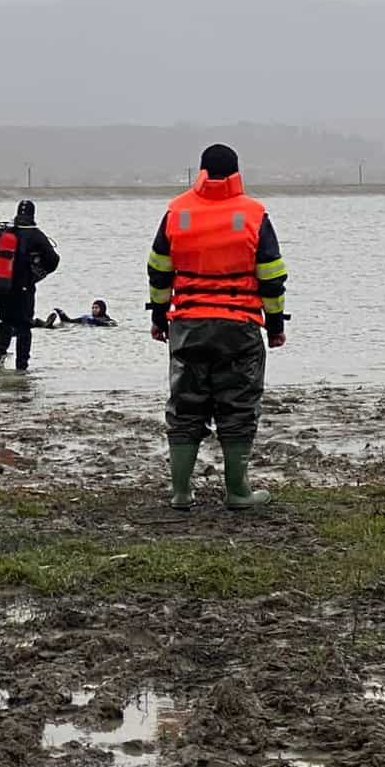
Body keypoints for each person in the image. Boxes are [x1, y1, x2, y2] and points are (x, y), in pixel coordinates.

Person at [147, 144, 288, 511]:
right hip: (239, 326)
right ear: (238, 172)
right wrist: (275, 326)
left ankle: (180, 492)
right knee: (238, 406)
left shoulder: (177, 211)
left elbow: (159, 270)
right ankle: (238, 492)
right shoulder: (254, 214)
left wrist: (159, 318)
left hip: (188, 324)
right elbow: (271, 277)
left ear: (202, 171)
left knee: (185, 405)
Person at [0, 199, 60, 370]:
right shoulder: (35, 234)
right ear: (32, 215)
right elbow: (53, 260)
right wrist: (37, 275)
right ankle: (21, 367)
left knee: (4, 321)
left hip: (1, 287)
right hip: (23, 288)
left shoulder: (3, 232)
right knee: (24, 325)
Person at [43, 300, 117, 328]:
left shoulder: (106, 319)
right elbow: (70, 321)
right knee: (65, 325)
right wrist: (62, 314)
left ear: (102, 309)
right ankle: (45, 324)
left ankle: (49, 326)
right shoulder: (87, 317)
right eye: (93, 308)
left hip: (81, 329)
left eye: (96, 308)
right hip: (76, 326)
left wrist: (95, 321)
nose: (94, 310)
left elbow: (112, 324)